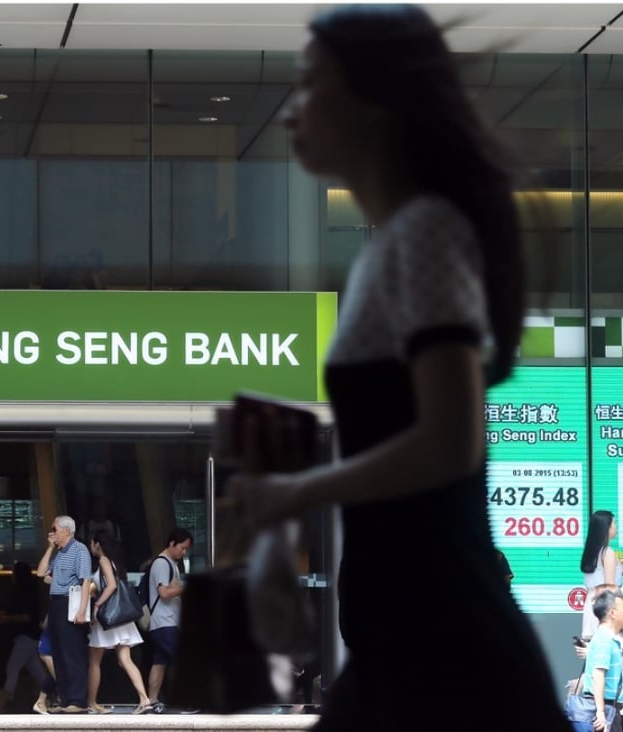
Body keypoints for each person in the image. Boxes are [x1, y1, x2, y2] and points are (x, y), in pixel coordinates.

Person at [224, 5, 570, 729]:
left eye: (311, 84)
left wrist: (296, 491)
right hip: (407, 631)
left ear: (373, 102)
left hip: (441, 639)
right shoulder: (394, 247)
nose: (291, 112)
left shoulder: (427, 232)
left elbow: (450, 441)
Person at [86, 531, 152, 715]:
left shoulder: (104, 561)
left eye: (92, 543)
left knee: (94, 662)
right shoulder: (114, 562)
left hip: (108, 617)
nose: (91, 546)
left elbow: (112, 585)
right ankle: (144, 700)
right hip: (120, 618)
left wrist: (97, 605)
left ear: (98, 545)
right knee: (125, 660)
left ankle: (92, 703)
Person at [36, 514, 92, 713]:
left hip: (72, 601)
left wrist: (82, 610)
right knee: (58, 652)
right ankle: (65, 700)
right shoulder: (58, 552)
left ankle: (78, 700)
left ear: (67, 530)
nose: (52, 533)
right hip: (56, 603)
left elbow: (85, 581)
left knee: (72, 652)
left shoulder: (80, 550)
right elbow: (41, 573)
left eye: (55, 529)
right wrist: (50, 547)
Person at [0, 561, 54, 714]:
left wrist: (4, 619)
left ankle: (1, 704)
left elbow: (25, 617)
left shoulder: (25, 592)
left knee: (12, 668)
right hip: (31, 635)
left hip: (26, 636)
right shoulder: (31, 591)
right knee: (37, 672)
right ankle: (51, 699)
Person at [145, 527, 192, 713]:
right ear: (172, 543)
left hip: (164, 622)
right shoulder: (162, 563)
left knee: (160, 662)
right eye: (182, 547)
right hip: (165, 622)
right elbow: (164, 593)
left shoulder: (169, 563)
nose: (184, 551)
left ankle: (151, 700)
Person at [574, 588, 623, 732]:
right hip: (606, 706)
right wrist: (601, 713)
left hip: (612, 706)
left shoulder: (610, 639)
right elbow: (598, 676)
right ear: (612, 613)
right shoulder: (604, 639)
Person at [583, 511, 621, 640]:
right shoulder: (607, 552)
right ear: (606, 528)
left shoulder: (592, 551)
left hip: (591, 603)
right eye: (614, 524)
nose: (616, 527)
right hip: (605, 607)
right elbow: (610, 587)